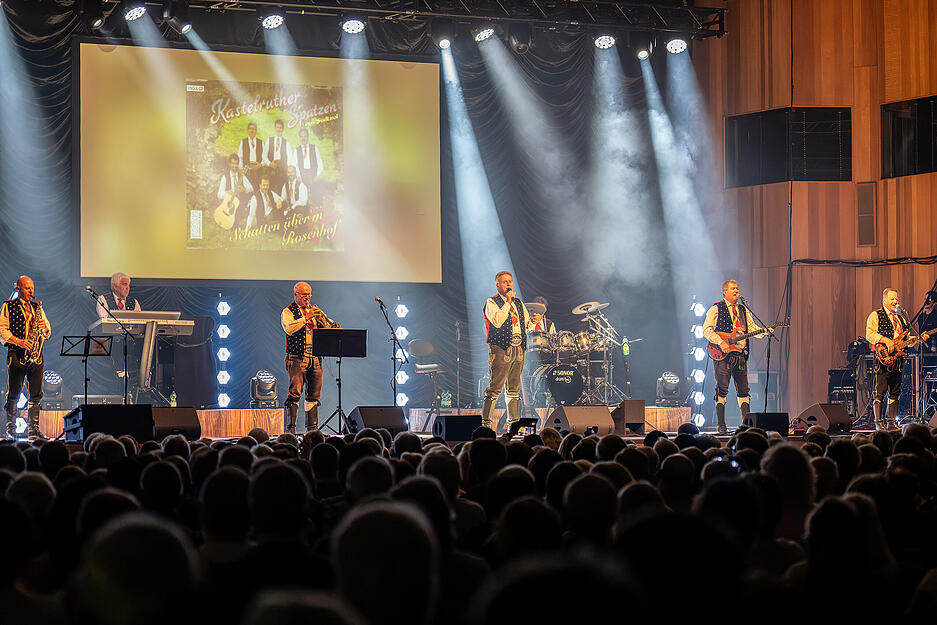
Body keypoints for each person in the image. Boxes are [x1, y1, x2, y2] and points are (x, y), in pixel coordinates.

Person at [482, 271, 542, 432]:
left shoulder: (518, 303)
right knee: (495, 387)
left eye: (510, 281)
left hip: (518, 348)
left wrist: (532, 322)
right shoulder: (492, 302)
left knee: (514, 389)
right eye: (504, 282)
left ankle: (513, 425)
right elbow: (497, 321)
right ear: (497, 285)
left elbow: (524, 328)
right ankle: (486, 425)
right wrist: (507, 302)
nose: (508, 284)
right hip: (501, 348)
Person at [702, 280, 764, 435]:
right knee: (722, 388)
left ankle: (746, 425)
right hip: (723, 354)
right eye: (733, 288)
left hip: (740, 354)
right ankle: (721, 425)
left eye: (737, 288)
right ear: (725, 291)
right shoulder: (716, 308)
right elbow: (706, 330)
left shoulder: (743, 310)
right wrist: (720, 342)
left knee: (744, 389)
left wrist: (764, 331)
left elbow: (752, 328)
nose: (736, 290)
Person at [281, 282, 338, 433]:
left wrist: (323, 320)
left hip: (315, 357)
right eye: (304, 294)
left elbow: (331, 328)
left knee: (314, 394)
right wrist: (307, 318)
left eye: (309, 294)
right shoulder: (288, 311)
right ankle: (291, 429)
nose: (307, 297)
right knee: (295, 393)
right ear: (296, 295)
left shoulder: (313, 311)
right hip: (297, 357)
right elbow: (289, 328)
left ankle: (312, 430)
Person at [1, 276, 51, 439]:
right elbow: (2, 330)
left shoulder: (37, 307)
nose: (31, 291)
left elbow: (48, 330)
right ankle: (11, 429)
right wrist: (20, 342)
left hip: (35, 355)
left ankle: (33, 430)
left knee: (36, 394)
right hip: (16, 353)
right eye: (27, 288)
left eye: (32, 288)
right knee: (14, 392)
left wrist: (44, 329)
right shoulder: (8, 305)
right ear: (18, 288)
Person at [865, 287, 908, 430]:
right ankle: (878, 423)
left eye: (897, 299)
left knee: (895, 391)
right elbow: (869, 334)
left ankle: (891, 422)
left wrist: (917, 339)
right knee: (880, 391)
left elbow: (905, 339)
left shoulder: (901, 318)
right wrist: (886, 340)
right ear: (884, 300)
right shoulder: (875, 315)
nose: (895, 301)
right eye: (892, 299)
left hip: (898, 360)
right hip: (882, 359)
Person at [95, 272, 144, 390]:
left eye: (128, 285)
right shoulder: (103, 299)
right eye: (124, 285)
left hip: (129, 344)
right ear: (115, 286)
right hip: (109, 344)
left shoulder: (134, 302)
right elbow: (105, 320)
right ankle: (119, 379)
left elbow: (139, 322)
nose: (127, 288)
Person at [216, 153, 253, 229]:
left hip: (239, 204)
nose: (235, 166)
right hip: (228, 203)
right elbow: (219, 194)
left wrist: (244, 189)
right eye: (233, 163)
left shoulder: (242, 176)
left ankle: (238, 220)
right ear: (229, 164)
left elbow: (251, 188)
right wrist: (226, 193)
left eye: (236, 164)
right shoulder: (225, 177)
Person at [294, 127, 324, 203]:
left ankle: (317, 209)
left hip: (313, 175)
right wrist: (298, 176)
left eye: (305, 136)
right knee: (304, 196)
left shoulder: (314, 148)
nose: (303, 138)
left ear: (308, 137)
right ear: (299, 137)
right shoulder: (296, 150)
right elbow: (295, 165)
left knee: (315, 196)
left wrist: (317, 175)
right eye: (301, 136)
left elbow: (320, 164)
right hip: (302, 175)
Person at [263, 119, 291, 191]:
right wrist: (269, 163)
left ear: (283, 129)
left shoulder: (286, 142)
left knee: (281, 189)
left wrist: (287, 168)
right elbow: (263, 155)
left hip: (282, 170)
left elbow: (289, 157)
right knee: (270, 189)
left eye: (280, 127)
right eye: (277, 127)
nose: (279, 129)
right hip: (271, 169)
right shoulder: (269, 140)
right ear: (275, 128)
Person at [238, 120, 264, 188]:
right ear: (248, 130)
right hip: (247, 171)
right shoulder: (243, 142)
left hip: (258, 171)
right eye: (250, 129)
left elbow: (264, 157)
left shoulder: (261, 142)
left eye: (254, 129)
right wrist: (241, 169)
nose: (252, 130)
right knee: (248, 189)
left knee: (258, 188)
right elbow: (239, 157)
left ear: (256, 131)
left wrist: (260, 164)